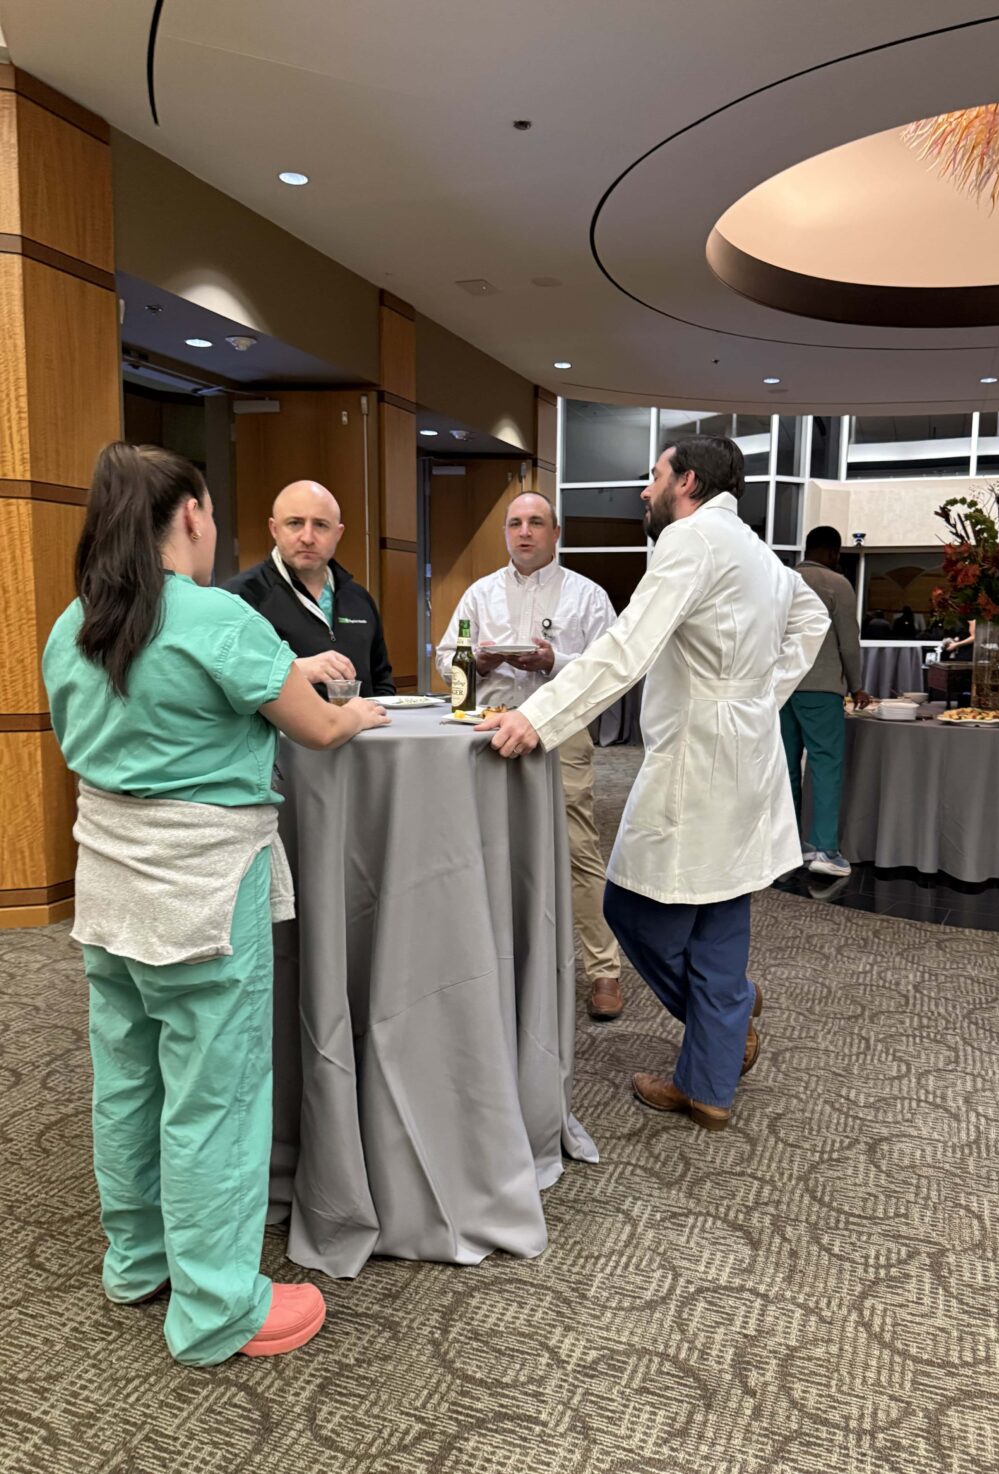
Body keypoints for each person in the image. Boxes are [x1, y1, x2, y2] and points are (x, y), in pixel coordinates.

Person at [42, 444, 391, 1366]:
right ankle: (217, 1306)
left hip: (109, 889)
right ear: (191, 514)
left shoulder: (75, 622)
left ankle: (138, 1258)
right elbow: (317, 729)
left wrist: (285, 677)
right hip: (201, 893)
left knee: (127, 1079)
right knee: (216, 1097)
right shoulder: (215, 616)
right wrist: (355, 711)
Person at [477, 438, 829, 1131]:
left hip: (699, 762)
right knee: (721, 917)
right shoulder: (755, 548)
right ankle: (710, 1085)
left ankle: (719, 1034)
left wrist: (537, 717)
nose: (645, 491)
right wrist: (758, 694)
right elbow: (809, 617)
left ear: (687, 481)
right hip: (744, 758)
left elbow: (625, 649)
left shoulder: (693, 540)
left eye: (654, 476)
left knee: (631, 909)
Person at [436, 491, 626, 1020]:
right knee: (491, 849)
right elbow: (445, 658)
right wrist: (471, 662)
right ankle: (497, 964)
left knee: (577, 850)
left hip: (560, 732)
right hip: (488, 733)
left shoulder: (587, 597)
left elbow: (611, 670)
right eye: (515, 523)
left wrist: (553, 661)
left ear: (555, 533)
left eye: (536, 522)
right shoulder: (479, 593)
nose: (524, 532)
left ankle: (603, 970)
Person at [226, 480, 395, 695]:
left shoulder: (359, 599)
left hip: (363, 728)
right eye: (295, 523)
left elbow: (382, 681)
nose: (307, 538)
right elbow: (231, 679)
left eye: (320, 525)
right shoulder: (240, 597)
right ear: (274, 529)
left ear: (338, 533)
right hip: (283, 730)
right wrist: (297, 671)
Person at [780, 526, 872, 879]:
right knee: (825, 765)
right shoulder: (837, 584)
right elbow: (849, 642)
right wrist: (857, 686)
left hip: (782, 689)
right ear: (834, 552)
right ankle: (826, 850)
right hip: (820, 689)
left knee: (786, 768)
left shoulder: (784, 580)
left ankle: (787, 847)